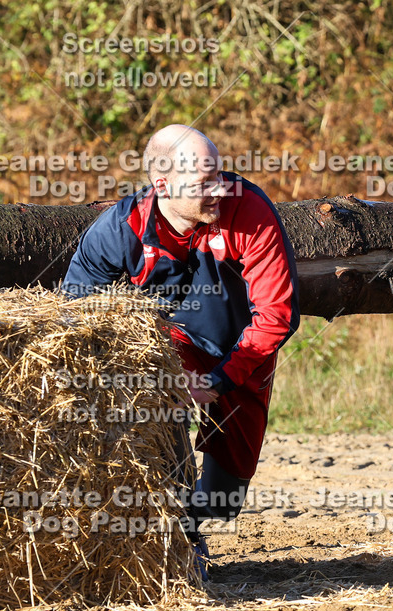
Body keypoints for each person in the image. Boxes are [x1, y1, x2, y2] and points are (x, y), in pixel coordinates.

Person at [62, 124, 300, 578]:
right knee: (161, 412)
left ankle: (193, 525)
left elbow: (277, 314)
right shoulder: (121, 227)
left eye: (220, 176)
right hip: (168, 347)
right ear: (162, 185)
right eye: (203, 184)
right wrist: (160, 372)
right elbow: (78, 303)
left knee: (224, 498)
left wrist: (221, 379)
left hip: (242, 351)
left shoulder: (248, 209)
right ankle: (173, 545)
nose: (218, 190)